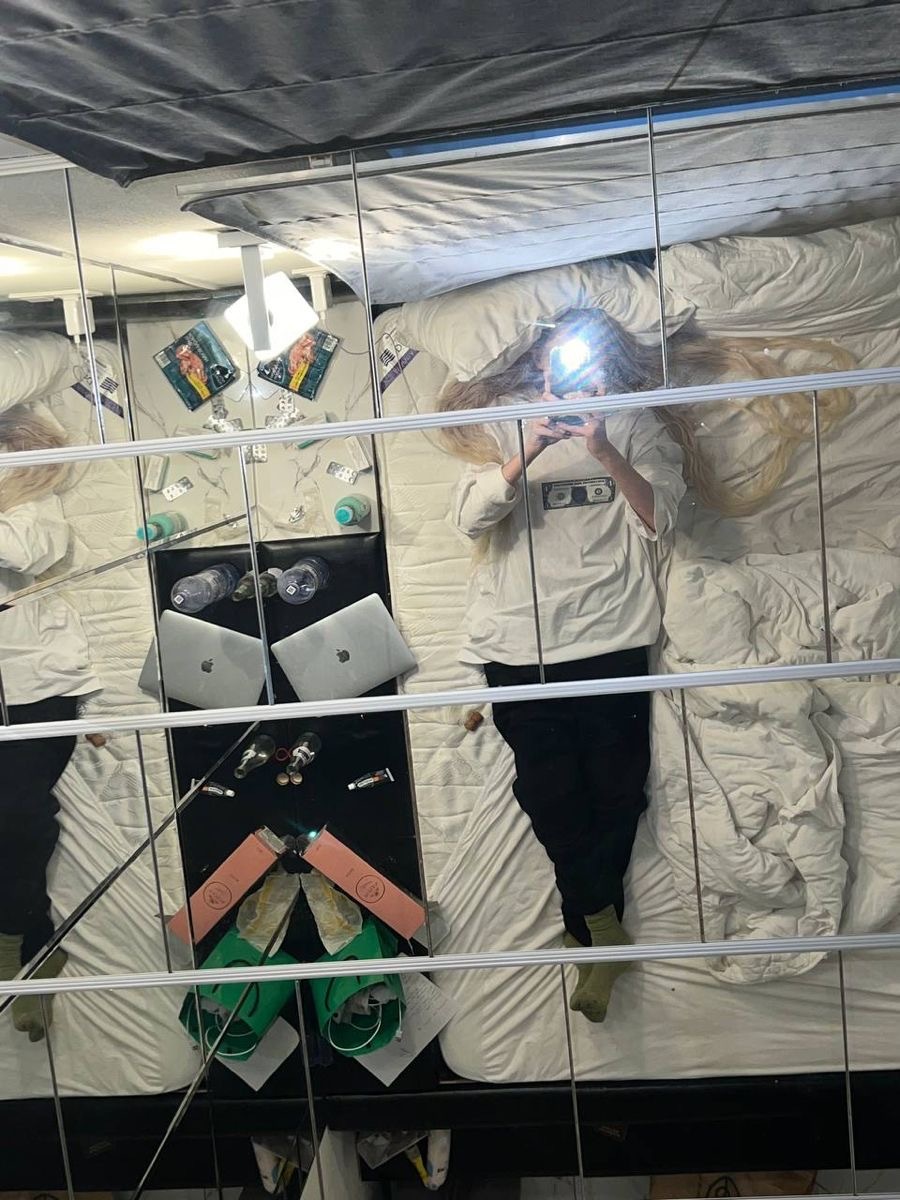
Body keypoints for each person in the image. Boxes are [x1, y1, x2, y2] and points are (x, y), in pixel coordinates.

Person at [0, 404, 99, 1042]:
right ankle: (32, 943)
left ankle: (16, 943)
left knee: (15, 814)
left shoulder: (36, 506)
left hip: (36, 690)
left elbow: (23, 552)